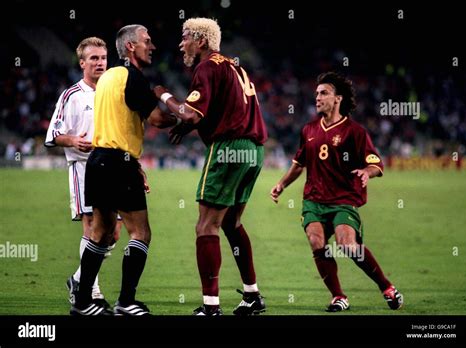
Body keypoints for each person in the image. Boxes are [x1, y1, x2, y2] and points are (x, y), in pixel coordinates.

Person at [155, 18, 267, 316]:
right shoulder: (234, 66)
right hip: (254, 151)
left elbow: (190, 115)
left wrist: (162, 95)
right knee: (232, 223)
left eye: (185, 38)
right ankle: (252, 295)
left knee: (206, 225)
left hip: (229, 149)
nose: (181, 44)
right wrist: (190, 128)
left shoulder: (207, 67)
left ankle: (211, 306)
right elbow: (222, 109)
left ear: (201, 41)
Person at [270, 72, 404, 312]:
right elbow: (299, 164)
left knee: (347, 245)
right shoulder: (309, 130)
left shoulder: (355, 132)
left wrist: (366, 172)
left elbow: (376, 163)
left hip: (343, 200)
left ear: (338, 99)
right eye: (316, 94)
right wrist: (281, 184)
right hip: (313, 200)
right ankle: (338, 296)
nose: (318, 98)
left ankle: (386, 287)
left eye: (324, 93)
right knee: (316, 241)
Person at [70, 25, 178, 316]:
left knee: (101, 234)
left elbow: (119, 121)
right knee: (140, 233)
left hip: (99, 161)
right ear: (130, 47)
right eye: (147, 41)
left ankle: (81, 303)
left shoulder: (108, 77)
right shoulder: (133, 77)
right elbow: (157, 120)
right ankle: (126, 301)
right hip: (118, 163)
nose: (152, 46)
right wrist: (180, 112)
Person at [45, 37, 122, 308]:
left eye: (103, 58)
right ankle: (92, 291)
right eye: (94, 58)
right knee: (92, 229)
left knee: (113, 233)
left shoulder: (114, 92)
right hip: (84, 168)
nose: (100, 63)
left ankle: (79, 278)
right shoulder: (71, 95)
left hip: (115, 167)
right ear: (82, 63)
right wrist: (73, 140)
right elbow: (53, 135)